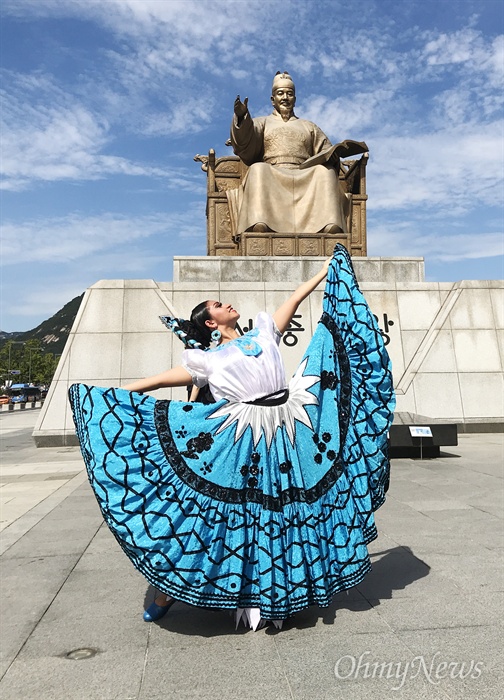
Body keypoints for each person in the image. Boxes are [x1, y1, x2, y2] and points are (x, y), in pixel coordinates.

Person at [69, 244, 395, 630]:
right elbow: (157, 381)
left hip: (289, 423)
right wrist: (106, 396)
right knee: (216, 517)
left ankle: (282, 585)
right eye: (219, 305)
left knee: (291, 508)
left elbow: (294, 297)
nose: (227, 305)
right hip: (241, 437)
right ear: (210, 322)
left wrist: (327, 271)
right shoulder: (206, 360)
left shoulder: (263, 331)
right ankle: (167, 588)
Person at [227, 72, 365, 237]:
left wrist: (333, 157)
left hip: (304, 172)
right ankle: (260, 223)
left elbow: (325, 150)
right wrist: (242, 117)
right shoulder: (261, 122)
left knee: (324, 172)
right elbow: (245, 143)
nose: (285, 97)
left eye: (289, 94)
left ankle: (328, 224)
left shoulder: (309, 126)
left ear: (295, 98)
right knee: (258, 169)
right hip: (273, 172)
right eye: (280, 93)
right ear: (273, 99)